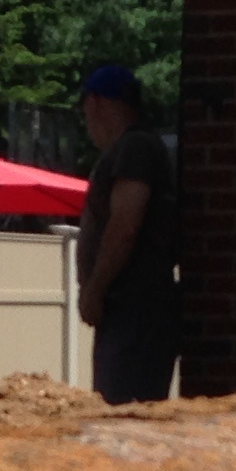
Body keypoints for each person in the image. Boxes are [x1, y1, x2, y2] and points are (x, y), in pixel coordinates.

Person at [76, 62, 179, 405]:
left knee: (122, 416)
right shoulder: (134, 147)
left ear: (95, 103)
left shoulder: (135, 148)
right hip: (129, 314)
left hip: (134, 313)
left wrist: (95, 289)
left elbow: (125, 224)